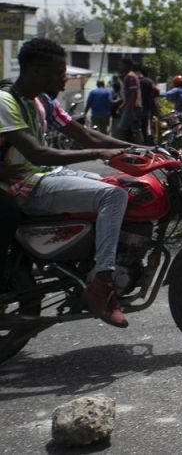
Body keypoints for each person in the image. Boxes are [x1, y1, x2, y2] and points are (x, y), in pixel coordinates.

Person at [0, 38, 131, 327]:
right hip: (23, 185)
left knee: (108, 182)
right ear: (35, 71)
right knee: (113, 196)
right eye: (59, 72)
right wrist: (99, 153)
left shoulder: (42, 100)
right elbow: (37, 152)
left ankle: (79, 263)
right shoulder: (5, 101)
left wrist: (139, 150)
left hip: (43, 175)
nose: (65, 78)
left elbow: (84, 134)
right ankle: (102, 282)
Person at [115, 57, 141, 143]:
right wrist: (122, 106)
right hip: (131, 107)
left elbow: (133, 94)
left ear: (126, 65)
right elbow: (129, 96)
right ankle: (144, 149)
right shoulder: (129, 76)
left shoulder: (130, 76)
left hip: (132, 108)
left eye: (121, 64)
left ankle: (115, 149)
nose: (119, 66)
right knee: (136, 130)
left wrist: (131, 110)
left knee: (120, 130)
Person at [138, 65, 156, 145]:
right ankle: (145, 142)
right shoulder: (149, 81)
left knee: (138, 127)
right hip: (147, 107)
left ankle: (139, 142)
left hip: (138, 107)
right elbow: (155, 92)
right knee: (145, 126)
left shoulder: (138, 81)